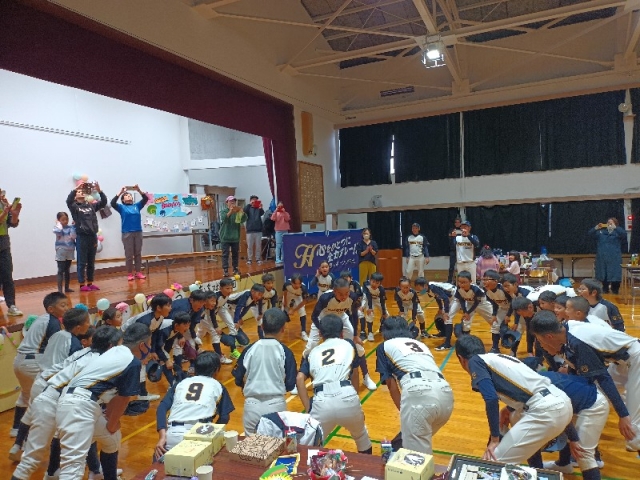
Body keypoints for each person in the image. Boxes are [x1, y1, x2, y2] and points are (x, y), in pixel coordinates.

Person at [10, 327, 121, 480]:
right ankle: (96, 472)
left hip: (46, 393)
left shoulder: (84, 351)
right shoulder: (105, 363)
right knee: (74, 465)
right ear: (111, 346)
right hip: (67, 404)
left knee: (30, 460)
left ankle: (85, 471)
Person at [454, 334, 573, 467]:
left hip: (545, 409)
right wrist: (574, 437)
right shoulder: (498, 357)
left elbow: (491, 399)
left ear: (460, 358)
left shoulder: (475, 361)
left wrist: (495, 439)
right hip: (561, 401)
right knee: (514, 418)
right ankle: (537, 469)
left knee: (493, 463)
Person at [530, 312, 640, 453]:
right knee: (594, 396)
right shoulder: (567, 329)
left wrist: (622, 415)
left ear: (549, 336)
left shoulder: (577, 341)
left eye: (540, 340)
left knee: (633, 430)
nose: (540, 344)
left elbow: (603, 377)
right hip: (620, 362)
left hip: (636, 358)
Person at [52, 323, 149, 480]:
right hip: (78, 405)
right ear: (143, 345)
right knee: (73, 468)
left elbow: (115, 396)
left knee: (112, 438)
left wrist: (110, 422)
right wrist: (112, 423)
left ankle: (103, 475)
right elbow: (123, 398)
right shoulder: (132, 361)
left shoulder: (116, 352)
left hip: (80, 403)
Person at [296, 314, 373, 455]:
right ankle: (367, 468)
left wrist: (308, 407)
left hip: (321, 400)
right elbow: (355, 373)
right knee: (362, 437)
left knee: (311, 447)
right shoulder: (349, 344)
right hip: (347, 394)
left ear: (320, 333)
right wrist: (355, 397)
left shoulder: (312, 352)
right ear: (342, 333)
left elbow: (300, 378)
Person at [376, 317, 453, 453]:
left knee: (417, 458)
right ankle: (394, 451)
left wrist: (404, 411)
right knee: (411, 441)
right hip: (446, 393)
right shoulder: (420, 344)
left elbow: (391, 384)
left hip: (419, 392)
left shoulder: (384, 346)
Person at [155, 351, 234, 458]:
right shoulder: (218, 386)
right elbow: (224, 417)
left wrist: (162, 437)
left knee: (162, 466)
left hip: (174, 434)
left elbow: (161, 408)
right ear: (216, 370)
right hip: (200, 434)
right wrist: (213, 433)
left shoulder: (181, 384)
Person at [11, 292, 69, 437]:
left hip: (19, 361)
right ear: (51, 309)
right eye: (63, 305)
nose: (66, 308)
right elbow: (55, 346)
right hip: (34, 362)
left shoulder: (42, 318)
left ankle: (16, 429)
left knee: (26, 395)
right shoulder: (53, 322)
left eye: (67, 305)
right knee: (45, 397)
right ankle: (32, 436)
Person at [232, 309, 297, 434]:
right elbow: (290, 384)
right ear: (283, 329)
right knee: (276, 444)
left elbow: (238, 378)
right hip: (276, 405)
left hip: (252, 405)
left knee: (251, 445)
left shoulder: (249, 350)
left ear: (262, 327)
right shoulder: (286, 352)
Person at [436, 271, 494, 352]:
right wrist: (465, 312)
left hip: (482, 304)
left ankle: (501, 339)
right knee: (463, 321)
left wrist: (467, 312)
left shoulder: (477, 290)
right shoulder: (459, 288)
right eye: (459, 282)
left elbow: (476, 303)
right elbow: (461, 300)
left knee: (494, 322)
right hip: (469, 303)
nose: (461, 284)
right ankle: (456, 343)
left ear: (470, 281)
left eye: (464, 282)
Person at [66, 181, 107, 291]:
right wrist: (76, 188)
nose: (81, 192)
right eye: (79, 192)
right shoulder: (75, 207)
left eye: (82, 191)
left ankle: (90, 283)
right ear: (75, 196)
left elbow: (103, 202)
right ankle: (82, 284)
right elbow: (68, 201)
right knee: (82, 262)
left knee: (91, 262)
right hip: (82, 237)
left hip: (92, 236)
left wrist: (99, 190)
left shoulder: (91, 206)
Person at [111, 185, 149, 281]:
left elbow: (145, 199)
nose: (128, 196)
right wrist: (120, 192)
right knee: (129, 255)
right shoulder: (121, 207)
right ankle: (129, 273)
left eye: (129, 195)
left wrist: (139, 190)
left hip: (138, 232)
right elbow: (112, 203)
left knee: (138, 253)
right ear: (123, 200)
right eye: (126, 196)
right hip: (127, 233)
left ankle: (138, 272)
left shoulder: (137, 206)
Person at [588, 218, 627, 294]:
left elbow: (624, 235)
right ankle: (605, 288)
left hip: (614, 257)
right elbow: (590, 234)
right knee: (604, 273)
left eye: (611, 223)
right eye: (608, 222)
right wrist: (596, 228)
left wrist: (616, 228)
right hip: (602, 257)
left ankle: (615, 289)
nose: (609, 224)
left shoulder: (618, 232)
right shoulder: (601, 232)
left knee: (615, 274)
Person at [0, 188, 23, 316]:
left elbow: (12, 224)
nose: (2, 196)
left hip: (3, 245)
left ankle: (11, 305)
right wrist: (5, 212)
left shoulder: (4, 204)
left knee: (7, 276)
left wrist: (14, 214)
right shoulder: (4, 207)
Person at [219, 195, 247, 277]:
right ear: (227, 202)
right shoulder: (224, 211)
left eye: (234, 201)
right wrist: (231, 211)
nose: (232, 202)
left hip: (235, 237)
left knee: (235, 254)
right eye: (230, 201)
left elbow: (242, 220)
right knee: (225, 254)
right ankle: (225, 270)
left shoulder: (237, 212)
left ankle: (235, 269)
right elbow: (224, 219)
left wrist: (242, 213)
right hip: (225, 237)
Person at [283, 273, 313, 341]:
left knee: (302, 312)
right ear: (291, 282)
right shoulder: (287, 284)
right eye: (295, 283)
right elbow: (285, 292)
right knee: (283, 312)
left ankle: (303, 332)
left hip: (298, 297)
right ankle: (279, 330)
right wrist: (285, 303)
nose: (297, 285)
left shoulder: (303, 288)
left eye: (299, 283)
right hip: (289, 294)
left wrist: (294, 310)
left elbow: (304, 302)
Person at [53, 212, 76, 293]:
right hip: (61, 250)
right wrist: (59, 224)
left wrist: (73, 227)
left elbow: (73, 236)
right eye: (63, 220)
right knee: (60, 270)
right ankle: (60, 291)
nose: (65, 221)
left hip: (70, 250)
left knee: (67, 270)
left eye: (66, 219)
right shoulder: (57, 228)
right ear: (58, 220)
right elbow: (58, 232)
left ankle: (66, 288)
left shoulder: (71, 227)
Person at [362, 272, 388, 341]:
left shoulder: (381, 289)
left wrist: (384, 312)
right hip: (369, 299)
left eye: (377, 283)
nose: (374, 284)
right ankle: (370, 332)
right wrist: (370, 308)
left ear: (380, 284)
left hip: (378, 299)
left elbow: (382, 301)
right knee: (369, 314)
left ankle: (382, 326)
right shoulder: (365, 284)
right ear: (370, 280)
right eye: (373, 282)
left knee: (386, 314)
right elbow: (368, 296)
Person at [243, 195, 264, 265]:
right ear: (250, 200)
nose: (255, 201)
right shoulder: (248, 208)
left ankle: (258, 259)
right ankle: (249, 259)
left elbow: (262, 213)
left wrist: (261, 208)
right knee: (249, 246)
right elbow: (244, 210)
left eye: (256, 200)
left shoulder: (259, 208)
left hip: (258, 230)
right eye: (253, 199)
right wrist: (250, 204)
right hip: (250, 230)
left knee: (258, 246)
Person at [271, 201, 290, 266]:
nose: (280, 207)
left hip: (285, 231)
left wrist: (284, 212)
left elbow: (287, 219)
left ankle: (283, 258)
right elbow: (272, 218)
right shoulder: (276, 213)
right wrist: (276, 211)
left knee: (284, 245)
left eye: (281, 206)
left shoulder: (286, 213)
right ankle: (277, 259)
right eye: (279, 206)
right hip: (278, 231)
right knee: (278, 245)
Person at [447, 216, 463, 283]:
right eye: (456, 222)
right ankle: (450, 280)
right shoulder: (451, 230)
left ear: (460, 223)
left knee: (461, 266)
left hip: (461, 251)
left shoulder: (463, 230)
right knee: (451, 266)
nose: (457, 223)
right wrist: (452, 236)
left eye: (458, 222)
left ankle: (460, 280)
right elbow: (449, 239)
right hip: (453, 250)